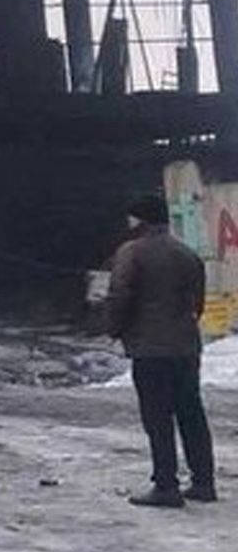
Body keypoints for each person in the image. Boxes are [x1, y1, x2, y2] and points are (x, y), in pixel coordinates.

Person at [106, 192, 215, 508]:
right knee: (191, 413)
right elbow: (198, 302)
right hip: (186, 346)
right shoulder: (187, 253)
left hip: (151, 349)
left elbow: (120, 294)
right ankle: (204, 482)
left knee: (157, 417)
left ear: (139, 219)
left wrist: (114, 328)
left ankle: (166, 486)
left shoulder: (132, 252)